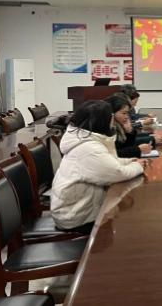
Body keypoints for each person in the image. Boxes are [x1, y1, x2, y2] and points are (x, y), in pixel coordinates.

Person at [50, 100, 146, 234]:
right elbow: (117, 173)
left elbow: (107, 163)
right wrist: (138, 166)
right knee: (129, 225)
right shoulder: (89, 148)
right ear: (102, 121)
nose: (112, 120)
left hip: (80, 208)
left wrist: (129, 161)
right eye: (110, 117)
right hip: (75, 217)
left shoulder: (86, 139)